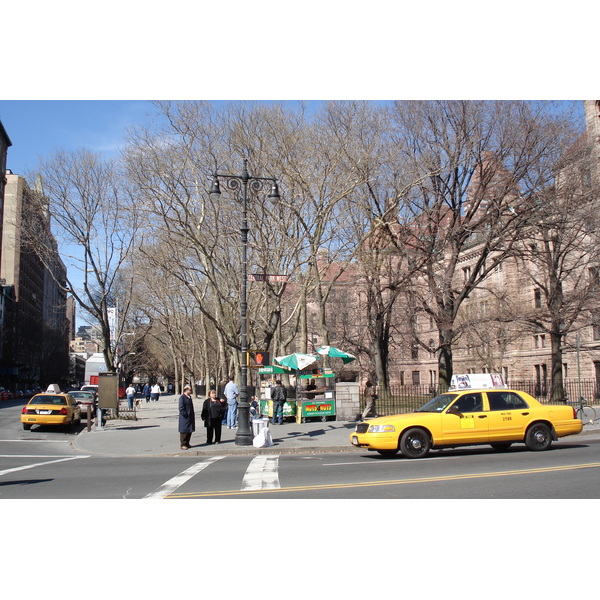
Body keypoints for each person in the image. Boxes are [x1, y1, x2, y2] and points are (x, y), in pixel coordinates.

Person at [178, 385, 195, 450]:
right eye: (190, 390)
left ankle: (187, 443)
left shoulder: (189, 397)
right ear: (186, 390)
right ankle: (183, 444)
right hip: (185, 417)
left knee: (189, 431)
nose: (191, 391)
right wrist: (186, 414)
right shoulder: (182, 398)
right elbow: (181, 408)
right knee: (184, 431)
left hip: (190, 417)